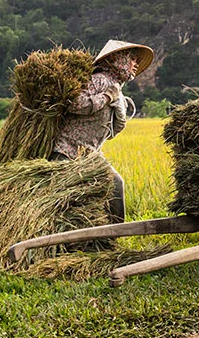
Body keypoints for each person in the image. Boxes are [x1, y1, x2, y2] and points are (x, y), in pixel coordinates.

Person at [49, 39, 154, 223]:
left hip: (90, 154)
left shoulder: (117, 89)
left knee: (115, 185)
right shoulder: (98, 80)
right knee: (69, 203)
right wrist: (106, 97)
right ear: (117, 59)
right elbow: (75, 104)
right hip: (68, 152)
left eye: (137, 61)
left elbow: (112, 130)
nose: (135, 64)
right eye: (132, 59)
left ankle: (112, 237)